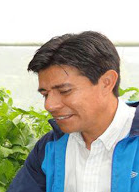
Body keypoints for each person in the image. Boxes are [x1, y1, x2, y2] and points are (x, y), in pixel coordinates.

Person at [8, 31, 139, 192]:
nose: (49, 105)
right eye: (45, 94)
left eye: (65, 91)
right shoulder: (49, 148)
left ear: (107, 83)